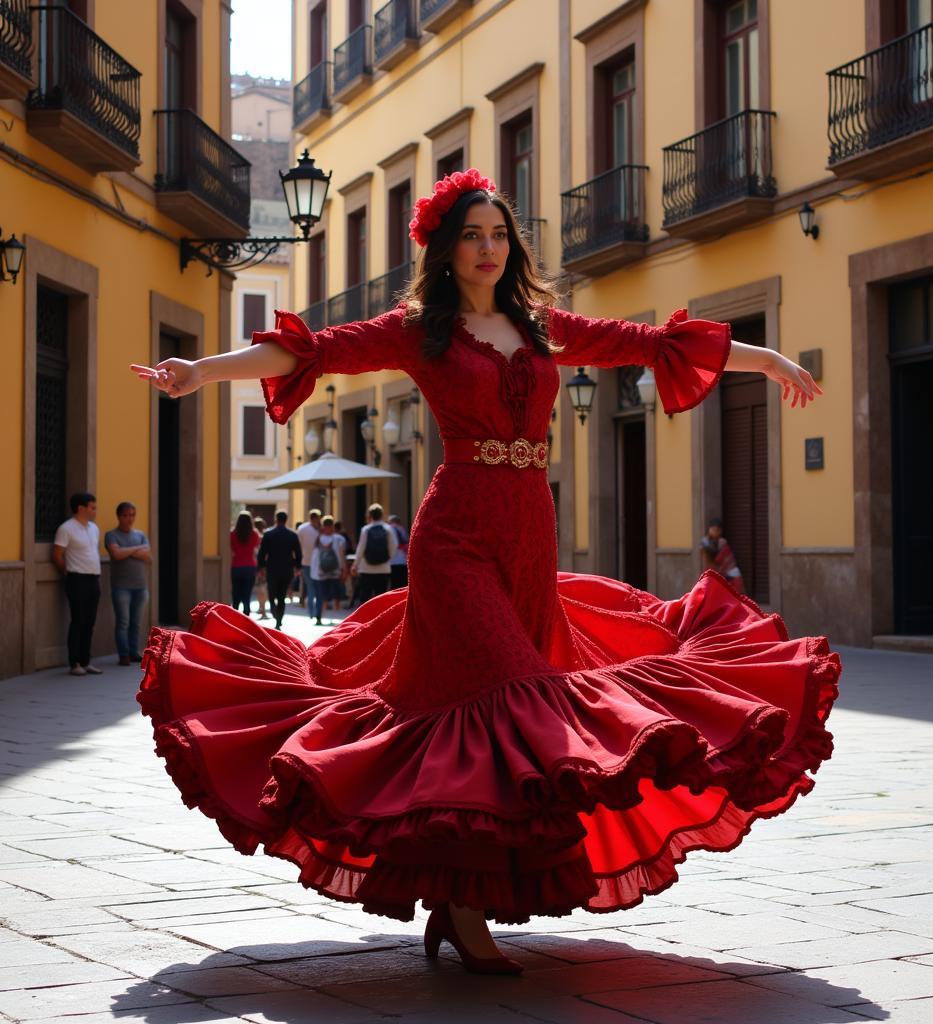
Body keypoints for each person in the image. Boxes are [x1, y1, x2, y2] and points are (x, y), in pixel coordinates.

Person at [132, 168, 836, 975]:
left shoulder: (540, 326)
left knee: (494, 705)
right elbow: (313, 351)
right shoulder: (419, 330)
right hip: (457, 534)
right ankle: (466, 912)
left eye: (499, 234)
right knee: (511, 693)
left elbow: (647, 342)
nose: (489, 248)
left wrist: (767, 358)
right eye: (472, 234)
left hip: (530, 534)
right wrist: (200, 371)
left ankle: (458, 898)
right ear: (445, 247)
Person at [53, 492, 103, 677]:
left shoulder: (94, 528)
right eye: (92, 507)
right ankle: (74, 663)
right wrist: (69, 572)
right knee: (78, 620)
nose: (95, 510)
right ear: (81, 508)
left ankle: (85, 661)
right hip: (77, 579)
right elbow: (57, 555)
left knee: (89, 622)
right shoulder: (66, 528)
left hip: (93, 579)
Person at [104, 501, 151, 666]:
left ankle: (133, 652)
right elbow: (116, 554)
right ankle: (123, 654)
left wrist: (127, 551)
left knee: (136, 622)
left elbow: (148, 557)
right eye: (125, 515)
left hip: (140, 586)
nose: (129, 518)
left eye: (132, 515)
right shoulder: (111, 535)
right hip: (121, 586)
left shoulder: (140, 534)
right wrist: (137, 549)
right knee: (123, 621)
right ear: (118, 516)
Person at [257, 511, 303, 629]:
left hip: (272, 568)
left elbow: (262, 553)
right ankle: (279, 619)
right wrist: (298, 567)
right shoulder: (292, 535)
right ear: (286, 519)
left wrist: (260, 567)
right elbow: (298, 553)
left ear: (275, 519)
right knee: (282, 595)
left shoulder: (268, 534)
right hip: (287, 569)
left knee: (272, 593)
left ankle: (274, 611)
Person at [350, 504, 397, 608]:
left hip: (366, 569)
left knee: (365, 597)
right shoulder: (388, 529)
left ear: (370, 516)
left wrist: (355, 565)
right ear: (382, 515)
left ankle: (366, 620)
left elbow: (360, 549)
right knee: (381, 597)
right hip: (383, 568)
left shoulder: (366, 529)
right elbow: (394, 547)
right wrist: (388, 557)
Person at [309, 514, 346, 626]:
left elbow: (314, 555)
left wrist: (313, 570)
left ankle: (319, 616)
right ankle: (337, 615)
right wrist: (344, 569)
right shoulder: (339, 539)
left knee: (320, 595)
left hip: (320, 572)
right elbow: (341, 555)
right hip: (335, 571)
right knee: (336, 593)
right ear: (333, 526)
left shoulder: (317, 539)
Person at [699, 517, 746, 595]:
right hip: (712, 570)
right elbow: (707, 560)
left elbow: (727, 557)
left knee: (736, 578)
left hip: (725, 570)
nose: (715, 532)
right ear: (709, 530)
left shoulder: (722, 542)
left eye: (718, 530)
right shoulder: (704, 543)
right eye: (713, 529)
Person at [229, 511, 260, 615]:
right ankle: (246, 615)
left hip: (236, 566)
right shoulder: (255, 534)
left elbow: (231, 549)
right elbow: (256, 547)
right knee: (247, 594)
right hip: (250, 567)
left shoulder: (232, 534)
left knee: (236, 594)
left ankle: (235, 615)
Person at [296, 509, 322, 618]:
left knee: (310, 587)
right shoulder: (321, 530)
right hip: (318, 563)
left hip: (305, 561)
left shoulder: (301, 529)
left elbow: (297, 546)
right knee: (317, 588)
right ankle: (315, 612)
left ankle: (311, 612)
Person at [252, 516, 270, 619]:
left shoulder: (253, 536)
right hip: (264, 566)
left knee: (259, 588)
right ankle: (263, 609)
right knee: (263, 588)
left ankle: (261, 608)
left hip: (255, 565)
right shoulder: (263, 537)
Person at [387, 513, 410, 589]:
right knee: (402, 584)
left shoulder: (389, 529)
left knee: (394, 585)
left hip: (393, 561)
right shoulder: (402, 529)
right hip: (403, 561)